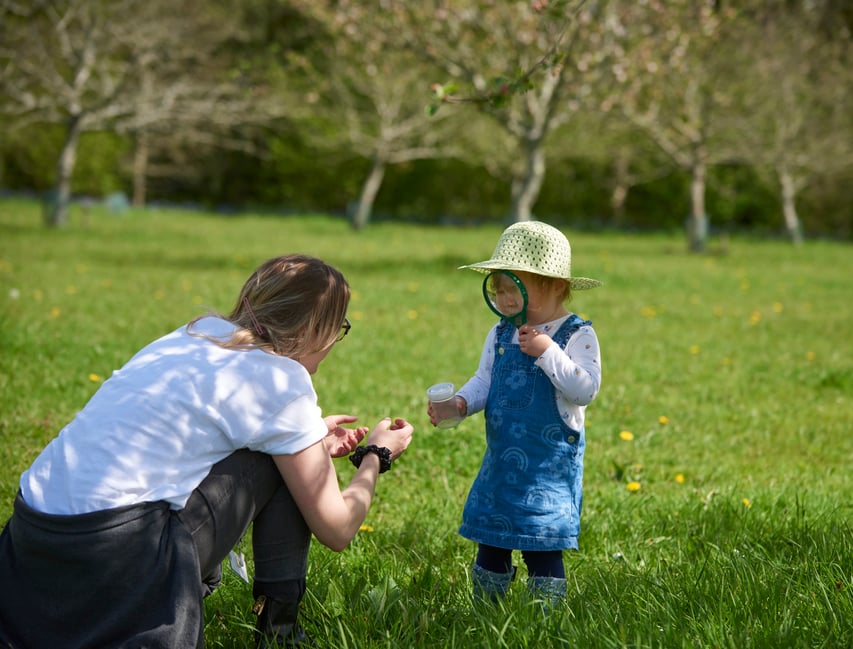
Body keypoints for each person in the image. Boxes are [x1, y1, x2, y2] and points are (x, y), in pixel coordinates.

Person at [0, 253, 414, 648]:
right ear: (312, 331)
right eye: (338, 327)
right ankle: (280, 632)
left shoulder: (195, 334)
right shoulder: (281, 380)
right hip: (118, 555)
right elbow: (337, 529)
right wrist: (376, 454)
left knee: (280, 454)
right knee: (277, 460)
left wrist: (309, 440)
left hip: (31, 540)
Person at [428, 221, 602, 609]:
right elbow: (484, 380)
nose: (506, 300)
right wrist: (460, 402)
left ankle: (545, 615)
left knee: (542, 545)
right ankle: (486, 609)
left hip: (548, 471)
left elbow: (585, 388)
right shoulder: (501, 333)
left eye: (516, 288)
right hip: (501, 466)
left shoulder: (576, 335)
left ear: (556, 285)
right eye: (499, 289)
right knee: (491, 538)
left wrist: (547, 352)